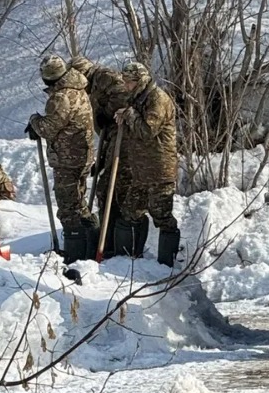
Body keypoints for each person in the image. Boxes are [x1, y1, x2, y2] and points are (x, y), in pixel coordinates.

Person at [28, 55, 96, 262]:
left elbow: (49, 128)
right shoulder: (78, 90)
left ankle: (76, 255)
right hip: (81, 155)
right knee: (78, 203)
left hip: (69, 158)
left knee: (69, 207)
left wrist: (35, 121)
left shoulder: (61, 97)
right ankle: (89, 247)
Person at [113, 61, 181, 265]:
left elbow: (147, 131)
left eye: (129, 82)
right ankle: (128, 259)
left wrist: (130, 115)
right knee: (130, 211)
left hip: (159, 169)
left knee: (161, 215)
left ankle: (166, 263)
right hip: (141, 171)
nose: (126, 86)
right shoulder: (138, 98)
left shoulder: (157, 99)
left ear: (140, 81)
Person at [74, 55, 126, 226]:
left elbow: (122, 94)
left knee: (107, 188)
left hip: (121, 136)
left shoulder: (103, 75)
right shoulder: (93, 86)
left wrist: (107, 112)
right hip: (110, 138)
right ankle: (107, 230)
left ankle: (110, 232)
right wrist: (102, 160)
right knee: (104, 188)